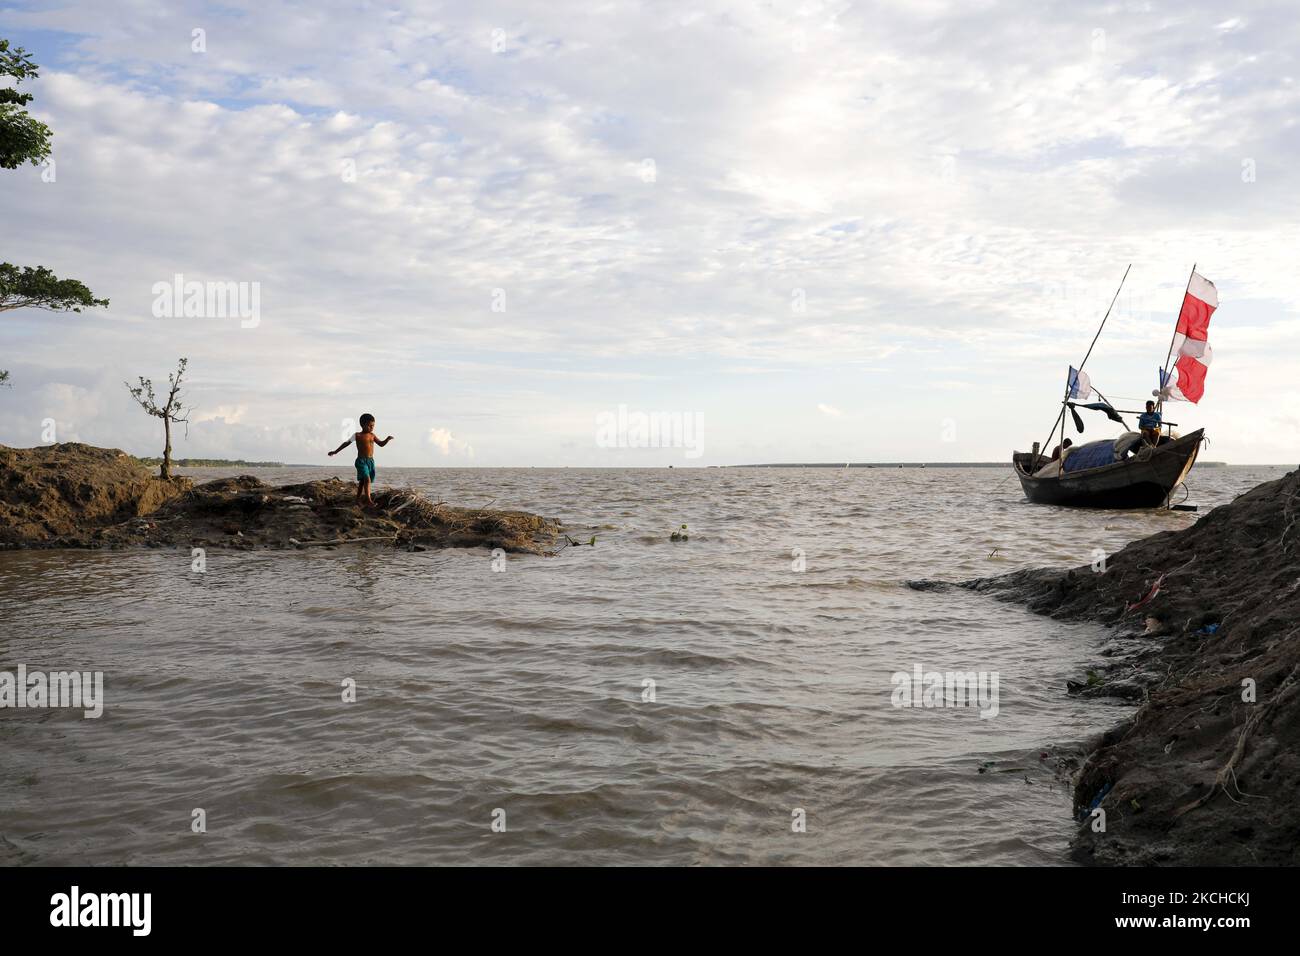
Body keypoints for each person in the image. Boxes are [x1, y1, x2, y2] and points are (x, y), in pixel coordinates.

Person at [329, 413, 394, 507]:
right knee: (367, 479)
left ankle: (357, 499)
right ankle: (368, 500)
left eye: (373, 426)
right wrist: (335, 451)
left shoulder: (372, 435)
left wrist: (387, 439)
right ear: (363, 425)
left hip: (370, 461)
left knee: (362, 482)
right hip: (361, 461)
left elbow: (381, 444)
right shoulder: (357, 435)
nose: (372, 427)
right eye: (370, 425)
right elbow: (346, 443)